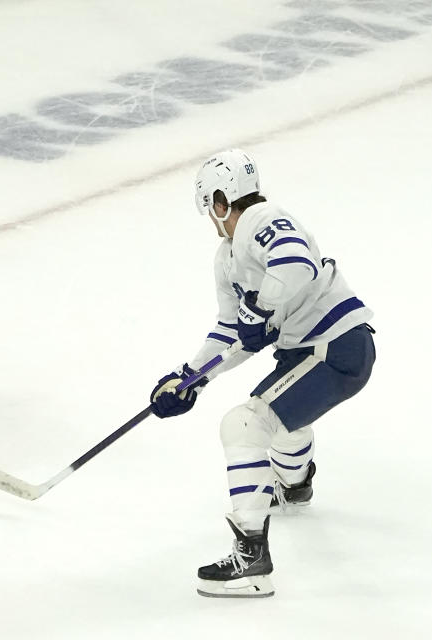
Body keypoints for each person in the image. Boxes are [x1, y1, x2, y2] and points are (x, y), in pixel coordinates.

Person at [148, 149, 375, 598]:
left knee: (245, 423)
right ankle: (294, 485)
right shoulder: (228, 255)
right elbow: (232, 330)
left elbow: (296, 263)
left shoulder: (261, 218)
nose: (211, 217)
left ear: (219, 200)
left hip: (335, 345)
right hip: (314, 351)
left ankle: (251, 559)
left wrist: (261, 308)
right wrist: (189, 378)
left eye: (210, 207)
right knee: (280, 416)